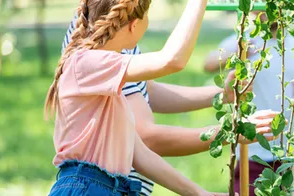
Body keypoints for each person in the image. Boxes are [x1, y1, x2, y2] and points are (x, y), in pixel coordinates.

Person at [47, 0, 278, 195]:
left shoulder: (109, 87)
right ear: (134, 25)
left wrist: (201, 193)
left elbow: (141, 155)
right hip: (87, 187)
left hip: (112, 187)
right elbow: (172, 60)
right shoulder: (86, 62)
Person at [203, 10, 294, 196]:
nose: (267, 11)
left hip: (292, 152)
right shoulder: (245, 39)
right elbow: (208, 63)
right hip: (250, 150)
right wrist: (238, 52)